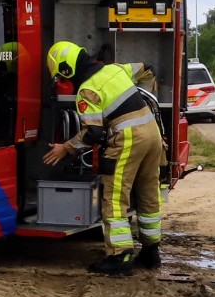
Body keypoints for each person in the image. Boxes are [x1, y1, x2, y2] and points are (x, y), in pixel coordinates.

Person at [41, 39, 165, 274]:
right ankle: (151, 252)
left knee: (115, 196)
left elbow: (93, 132)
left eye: (63, 76)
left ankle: (120, 258)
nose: (65, 81)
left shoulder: (87, 90)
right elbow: (147, 68)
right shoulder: (114, 69)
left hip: (128, 139)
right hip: (152, 134)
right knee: (148, 193)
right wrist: (147, 97)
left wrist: (65, 148)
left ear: (67, 69)